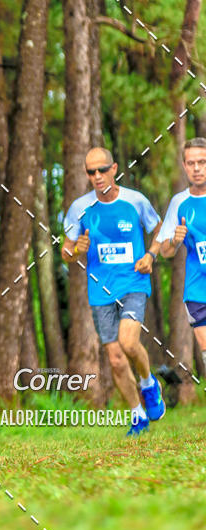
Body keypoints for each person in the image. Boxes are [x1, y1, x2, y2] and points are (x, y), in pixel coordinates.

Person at [62, 147, 166, 435]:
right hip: (100, 290)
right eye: (90, 172)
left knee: (129, 343)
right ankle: (138, 416)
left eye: (102, 170)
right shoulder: (79, 208)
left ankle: (148, 384)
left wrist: (151, 255)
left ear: (114, 169)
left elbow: (159, 229)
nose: (97, 176)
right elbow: (66, 251)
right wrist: (76, 250)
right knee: (116, 359)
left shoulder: (136, 200)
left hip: (133, 282)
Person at [157, 137, 206, 376]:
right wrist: (176, 240)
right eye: (191, 163)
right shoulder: (179, 203)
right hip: (198, 291)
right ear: (185, 166)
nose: (196, 168)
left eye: (202, 162)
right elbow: (165, 251)